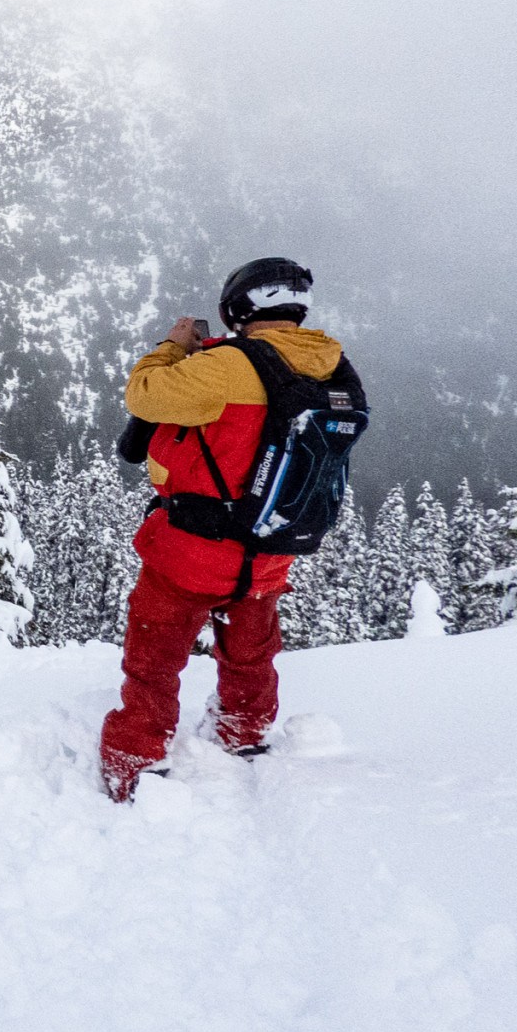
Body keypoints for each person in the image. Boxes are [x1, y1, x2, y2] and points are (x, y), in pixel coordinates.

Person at [97, 257, 360, 802]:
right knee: (250, 651)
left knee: (155, 658)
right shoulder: (333, 367)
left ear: (241, 307)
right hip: (269, 547)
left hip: (193, 550)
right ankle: (242, 732)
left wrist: (172, 348)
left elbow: (144, 395)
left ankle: (136, 758)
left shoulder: (230, 366)